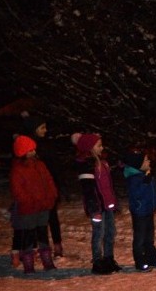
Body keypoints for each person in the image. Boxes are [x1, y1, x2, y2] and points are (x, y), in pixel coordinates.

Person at [74, 132, 121, 274]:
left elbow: (107, 185)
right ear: (90, 147)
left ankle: (108, 258)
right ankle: (97, 261)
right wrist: (94, 208)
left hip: (107, 205)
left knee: (110, 232)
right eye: (99, 145)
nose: (102, 147)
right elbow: (88, 189)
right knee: (98, 233)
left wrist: (113, 202)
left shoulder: (103, 162)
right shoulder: (86, 165)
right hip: (97, 207)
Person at [10, 135, 59, 273]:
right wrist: (28, 201)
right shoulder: (18, 169)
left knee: (43, 233)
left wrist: (51, 196)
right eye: (30, 150)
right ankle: (28, 262)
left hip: (43, 205)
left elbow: (49, 181)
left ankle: (47, 260)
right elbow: (17, 190)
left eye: (34, 149)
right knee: (28, 235)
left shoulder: (40, 165)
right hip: (28, 208)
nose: (34, 152)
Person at [21, 114, 65, 258]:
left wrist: (57, 186)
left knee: (52, 218)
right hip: (37, 191)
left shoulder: (47, 144)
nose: (45, 130)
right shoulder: (29, 148)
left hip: (49, 188)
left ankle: (57, 245)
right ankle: (38, 248)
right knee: (38, 221)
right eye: (42, 127)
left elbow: (54, 168)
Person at [123, 148, 156, 272]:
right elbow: (136, 194)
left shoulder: (147, 175)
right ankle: (140, 261)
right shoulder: (134, 179)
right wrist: (145, 182)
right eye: (146, 160)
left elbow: (153, 193)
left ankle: (152, 259)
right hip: (139, 213)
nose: (149, 162)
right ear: (138, 164)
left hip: (149, 211)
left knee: (149, 238)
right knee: (140, 239)